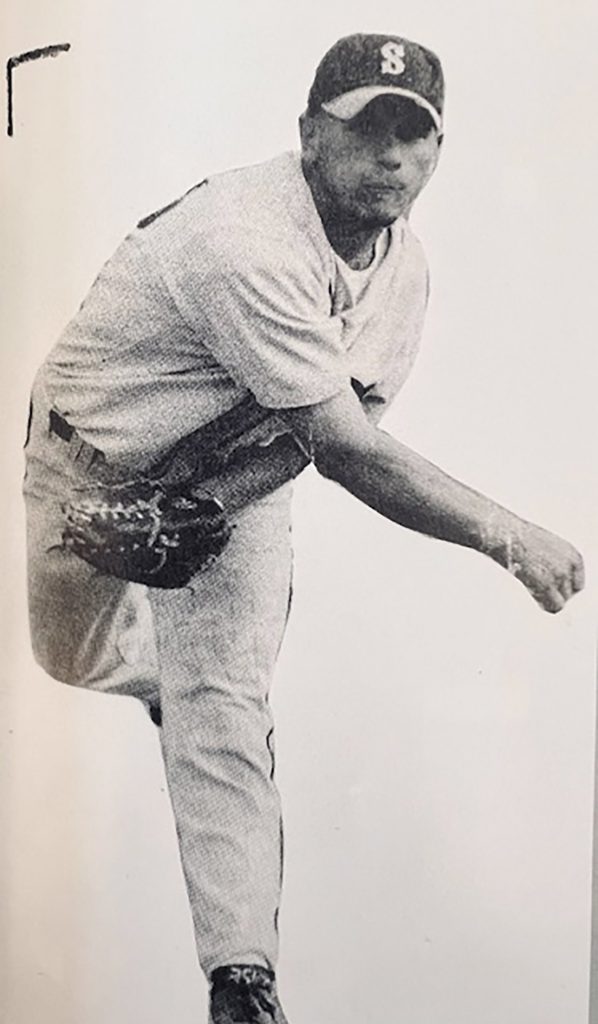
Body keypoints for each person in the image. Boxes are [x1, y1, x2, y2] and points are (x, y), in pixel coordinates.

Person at [23, 32, 584, 1024]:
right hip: (89, 454)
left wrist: (201, 506)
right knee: (65, 658)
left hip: (244, 464)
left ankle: (242, 976)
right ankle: (151, 675)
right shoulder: (244, 235)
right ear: (308, 136)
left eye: (416, 136)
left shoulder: (404, 278)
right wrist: (509, 533)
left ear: (439, 153)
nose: (395, 157)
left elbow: (326, 434)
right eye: (369, 128)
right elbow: (351, 455)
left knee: (226, 709)